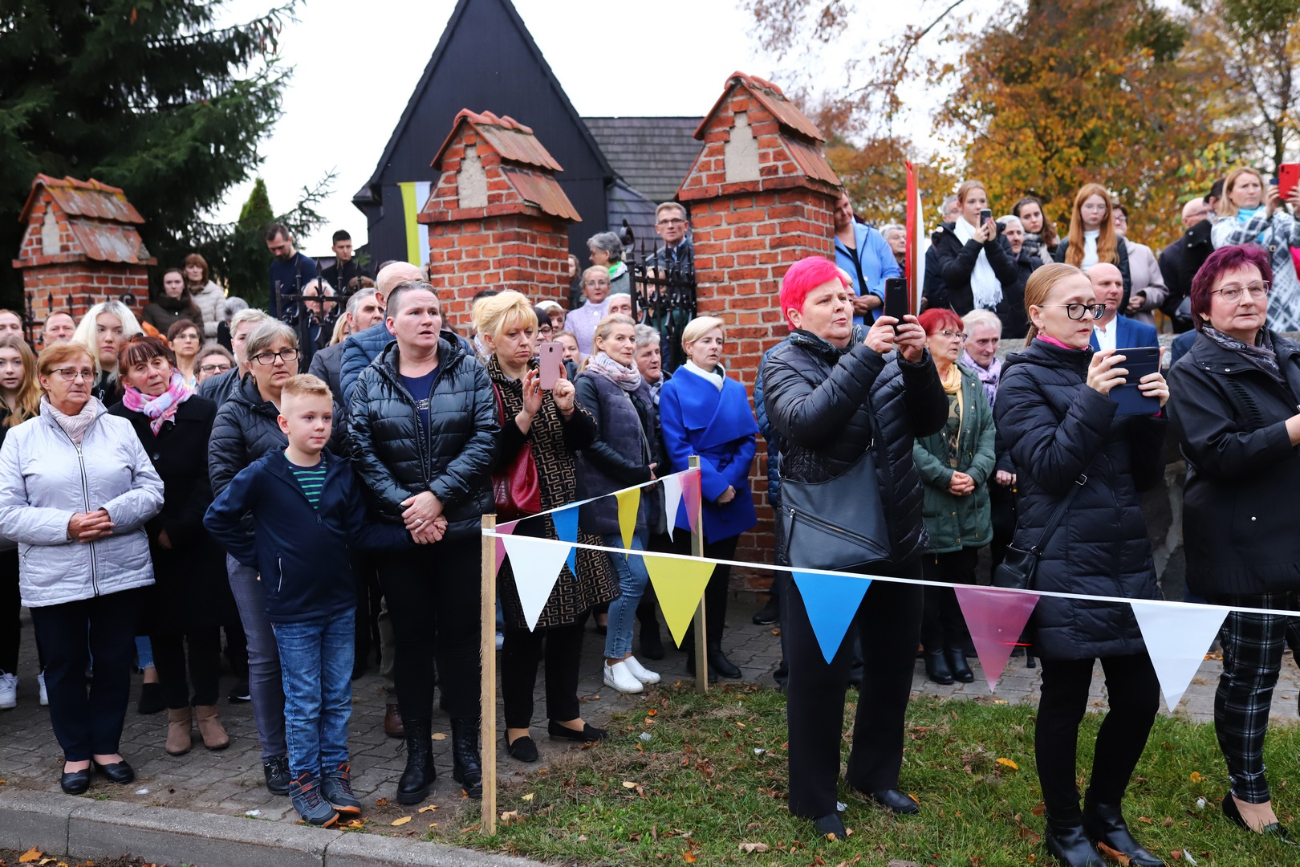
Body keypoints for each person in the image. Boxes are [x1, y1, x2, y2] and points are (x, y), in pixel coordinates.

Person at [763, 256, 947, 837]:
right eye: (825, 299)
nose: (842, 305)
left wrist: (916, 365)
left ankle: (874, 775)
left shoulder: (886, 356)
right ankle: (814, 797)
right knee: (819, 678)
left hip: (896, 535)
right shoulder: (781, 361)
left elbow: (930, 422)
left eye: (844, 295)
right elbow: (807, 423)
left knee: (891, 669)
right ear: (795, 315)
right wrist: (868, 356)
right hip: (825, 546)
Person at [995, 263, 1168, 867]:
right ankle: (1065, 827)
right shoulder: (1020, 378)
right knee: (1065, 699)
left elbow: (1143, 475)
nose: (1088, 316)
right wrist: (1094, 398)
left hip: (1124, 554)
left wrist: (1154, 414)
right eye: (1073, 306)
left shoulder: (1107, 364)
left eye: (1092, 307)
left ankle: (1106, 814)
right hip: (1063, 559)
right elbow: (1048, 467)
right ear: (1036, 314)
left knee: (1140, 698)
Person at [207, 374, 406, 826]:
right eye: (308, 418)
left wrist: (409, 535)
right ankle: (304, 781)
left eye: (326, 418)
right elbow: (217, 518)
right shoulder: (263, 474)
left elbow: (359, 532)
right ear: (284, 423)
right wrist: (259, 556)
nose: (319, 426)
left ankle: (336, 774)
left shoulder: (341, 471)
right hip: (292, 608)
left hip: (340, 604)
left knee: (337, 696)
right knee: (303, 700)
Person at [1168, 244, 1300, 843]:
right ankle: (1247, 795)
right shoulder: (1192, 371)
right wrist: (1294, 429)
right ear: (1204, 307)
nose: (1247, 299)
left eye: (1256, 287)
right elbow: (1218, 454)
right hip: (1244, 545)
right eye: (1231, 291)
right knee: (1252, 678)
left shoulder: (1288, 353)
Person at [350, 280, 498, 804]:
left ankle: (466, 752)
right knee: (411, 644)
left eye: (434, 311)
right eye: (415, 312)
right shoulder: (368, 381)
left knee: (461, 642)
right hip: (401, 535)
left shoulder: (470, 370)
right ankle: (418, 757)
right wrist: (411, 510)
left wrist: (438, 497)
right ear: (391, 324)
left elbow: (486, 438)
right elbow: (362, 453)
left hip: (461, 529)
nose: (428, 319)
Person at [0, 341, 164, 794]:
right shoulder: (20, 439)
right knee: (64, 664)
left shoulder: (120, 428)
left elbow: (151, 489)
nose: (79, 380)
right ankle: (75, 751)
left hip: (119, 567)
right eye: (67, 372)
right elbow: (7, 514)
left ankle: (107, 746)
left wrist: (112, 515)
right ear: (44, 380)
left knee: (112, 662)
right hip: (54, 574)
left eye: (86, 372)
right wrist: (67, 526)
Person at [474, 292, 615, 763]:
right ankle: (517, 726)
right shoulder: (482, 384)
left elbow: (586, 439)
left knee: (572, 616)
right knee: (526, 624)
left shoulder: (551, 370)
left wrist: (570, 407)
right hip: (524, 520)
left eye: (530, 332)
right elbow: (488, 458)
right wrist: (526, 414)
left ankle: (565, 715)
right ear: (489, 339)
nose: (525, 341)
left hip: (569, 509)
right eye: (512, 333)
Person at [109, 335, 234, 757]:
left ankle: (208, 711)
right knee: (162, 630)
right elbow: (118, 480)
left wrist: (180, 527)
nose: (153, 373)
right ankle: (177, 715)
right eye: (140, 367)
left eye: (158, 362)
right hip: (145, 539)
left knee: (203, 629)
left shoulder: (203, 410)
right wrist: (156, 527)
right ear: (126, 377)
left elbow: (212, 473)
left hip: (197, 536)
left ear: (171, 364)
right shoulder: (117, 421)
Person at [209, 320, 316, 795]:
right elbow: (224, 491)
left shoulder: (313, 400)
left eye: (286, 351)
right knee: (267, 657)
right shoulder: (233, 415)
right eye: (266, 354)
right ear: (249, 363)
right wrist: (261, 553)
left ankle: (314, 747)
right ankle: (276, 755)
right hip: (256, 557)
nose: (278, 361)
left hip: (313, 555)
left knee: (312, 655)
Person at [659, 316, 758, 681]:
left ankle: (714, 648)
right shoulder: (674, 389)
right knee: (694, 576)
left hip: (732, 492)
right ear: (689, 347)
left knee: (719, 577)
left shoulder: (734, 388)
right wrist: (715, 487)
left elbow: (747, 441)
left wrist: (730, 484)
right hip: (696, 493)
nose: (715, 346)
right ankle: (695, 651)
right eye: (706, 341)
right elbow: (677, 447)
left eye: (719, 341)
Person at [574, 314, 663, 695]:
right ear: (600, 342)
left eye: (631, 339)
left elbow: (646, 434)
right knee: (632, 577)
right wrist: (634, 472)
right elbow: (590, 442)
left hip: (635, 497)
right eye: (620, 339)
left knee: (633, 579)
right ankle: (613, 661)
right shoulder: (590, 381)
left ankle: (625, 654)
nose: (628, 345)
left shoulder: (632, 381)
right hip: (607, 497)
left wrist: (648, 469)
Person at [911, 308, 995, 686]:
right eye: (946, 333)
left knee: (963, 582)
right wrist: (944, 477)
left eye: (959, 334)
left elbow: (989, 433)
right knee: (930, 586)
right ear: (925, 340)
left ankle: (957, 648)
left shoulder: (971, 382)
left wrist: (975, 474)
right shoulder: (913, 382)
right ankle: (935, 650)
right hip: (929, 501)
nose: (956, 340)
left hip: (969, 501)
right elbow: (906, 441)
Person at [960, 310, 1019, 591]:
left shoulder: (1008, 374)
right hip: (967, 472)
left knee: (1005, 541)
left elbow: (1014, 424)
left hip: (1002, 473)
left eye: (995, 340)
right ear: (964, 340)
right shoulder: (954, 374)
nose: (990, 348)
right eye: (982, 341)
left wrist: (1005, 461)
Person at [0, 334, 43, 709]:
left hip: (38, 521)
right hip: (2, 528)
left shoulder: (42, 408)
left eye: (16, 361)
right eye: (1, 362)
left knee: (44, 604)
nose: (9, 369)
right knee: (4, 606)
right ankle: (6, 673)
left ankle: (49, 671)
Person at [1211, 166, 1300, 332]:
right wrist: (1266, 213)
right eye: (1244, 186)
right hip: (1246, 305)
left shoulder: (1280, 218)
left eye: (1256, 185)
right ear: (1229, 193)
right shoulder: (1223, 223)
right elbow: (1228, 243)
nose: (1251, 191)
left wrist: (1299, 214)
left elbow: (1298, 240)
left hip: (1287, 306)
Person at [339, 261, 423, 405]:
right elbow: (357, 401)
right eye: (403, 286)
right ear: (382, 300)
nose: (416, 291)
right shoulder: (359, 345)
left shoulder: (454, 343)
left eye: (421, 284)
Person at [931, 181, 1020, 317]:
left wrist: (991, 243)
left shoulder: (998, 233)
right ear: (960, 206)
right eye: (971, 202)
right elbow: (951, 276)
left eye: (982, 201)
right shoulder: (947, 236)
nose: (978, 206)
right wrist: (975, 243)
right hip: (965, 317)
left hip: (1000, 316)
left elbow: (1010, 275)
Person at [1055, 183, 1133, 309]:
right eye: (1089, 206)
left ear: (1107, 211)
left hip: (1108, 310)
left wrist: (1116, 313)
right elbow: (1057, 283)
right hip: (1076, 310)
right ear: (1079, 209)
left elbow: (1125, 282)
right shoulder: (1066, 244)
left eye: (1100, 207)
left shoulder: (1117, 242)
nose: (1095, 211)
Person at [833, 189, 900, 325]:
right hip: (848, 323)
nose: (844, 212)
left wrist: (878, 297)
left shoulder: (872, 235)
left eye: (846, 205)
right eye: (837, 210)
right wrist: (848, 302)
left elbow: (892, 271)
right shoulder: (825, 243)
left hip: (881, 318)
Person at [311, 287, 382, 409]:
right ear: (351, 319)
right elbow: (316, 404)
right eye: (369, 309)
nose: (377, 315)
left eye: (381, 310)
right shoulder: (324, 359)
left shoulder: (398, 353)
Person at [1159, 196, 1216, 332]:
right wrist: (1191, 311)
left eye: (1212, 212)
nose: (1209, 217)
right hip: (1189, 329)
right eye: (1203, 213)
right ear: (1186, 221)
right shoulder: (1170, 254)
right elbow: (1166, 297)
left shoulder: (1222, 244)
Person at [197, 308, 270, 409]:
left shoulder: (282, 383)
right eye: (242, 338)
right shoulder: (210, 389)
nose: (249, 344)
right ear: (233, 345)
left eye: (256, 337)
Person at [73, 300, 142, 405]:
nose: (109, 338)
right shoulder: (72, 379)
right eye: (101, 330)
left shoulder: (139, 382)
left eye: (118, 331)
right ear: (88, 333)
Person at [1112, 206, 1168, 328]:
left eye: (1121, 218)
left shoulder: (1143, 252)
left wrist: (1143, 298)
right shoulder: (1090, 254)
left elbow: (1161, 291)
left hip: (1140, 324)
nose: (1117, 222)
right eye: (1112, 218)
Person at [1088, 263, 1158, 352]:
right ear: (1088, 288)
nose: (1115, 290)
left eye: (1118, 284)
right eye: (1106, 284)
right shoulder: (1074, 332)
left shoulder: (1144, 333)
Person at [993, 214, 1037, 337]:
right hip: (1000, 334)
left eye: (1019, 233)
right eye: (1010, 233)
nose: (1016, 238)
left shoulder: (1033, 265)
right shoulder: (988, 267)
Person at [265, 223, 318, 320]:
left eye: (281, 247)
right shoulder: (274, 267)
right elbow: (273, 301)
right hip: (279, 322)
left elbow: (312, 300)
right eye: (272, 249)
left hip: (303, 322)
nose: (277, 253)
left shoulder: (306, 265)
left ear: (290, 240)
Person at [922, 195, 961, 310]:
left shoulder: (984, 240)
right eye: (955, 211)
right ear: (945, 218)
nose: (960, 215)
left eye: (963, 210)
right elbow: (935, 290)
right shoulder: (934, 249)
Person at [566, 267, 613, 358]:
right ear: (584, 290)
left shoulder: (617, 311)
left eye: (601, 282)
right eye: (591, 283)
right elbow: (568, 347)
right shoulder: (573, 317)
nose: (597, 287)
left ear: (608, 288)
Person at [142, 269, 205, 336]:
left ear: (184, 285)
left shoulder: (194, 310)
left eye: (177, 282)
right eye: (169, 283)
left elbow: (200, 336)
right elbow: (148, 337)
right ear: (163, 286)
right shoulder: (151, 310)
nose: (173, 286)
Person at [183, 254, 225, 340]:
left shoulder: (216, 293)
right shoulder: (180, 293)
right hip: (184, 341)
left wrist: (195, 329)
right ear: (184, 271)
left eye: (199, 267)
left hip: (210, 342)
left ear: (204, 270)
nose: (195, 270)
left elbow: (223, 325)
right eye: (191, 267)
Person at [1013, 195, 1060, 262]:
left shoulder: (1054, 241)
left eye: (1036, 214)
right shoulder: (1014, 246)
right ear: (1018, 220)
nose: (1034, 220)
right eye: (1027, 217)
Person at [321, 230, 366, 295]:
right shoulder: (325, 275)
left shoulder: (362, 273)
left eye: (348, 247)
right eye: (341, 247)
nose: (345, 251)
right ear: (333, 249)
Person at [587, 231, 630, 295]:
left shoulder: (632, 280)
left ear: (606, 254)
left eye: (593, 254)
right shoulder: (587, 279)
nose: (590, 258)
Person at [166, 319, 203, 390]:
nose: (188, 341)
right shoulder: (166, 375)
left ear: (199, 345)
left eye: (193, 336)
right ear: (171, 345)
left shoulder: (207, 371)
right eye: (181, 336)